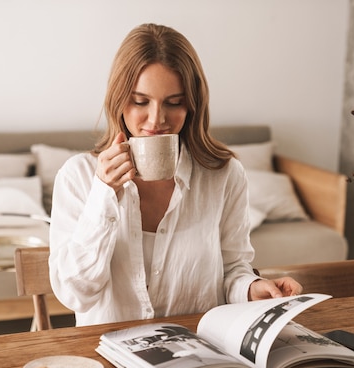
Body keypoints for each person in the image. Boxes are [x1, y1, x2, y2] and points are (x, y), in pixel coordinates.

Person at [49, 23, 302, 326]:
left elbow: (233, 267)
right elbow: (75, 294)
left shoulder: (224, 175)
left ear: (192, 105)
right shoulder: (78, 177)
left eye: (174, 103)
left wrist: (250, 288)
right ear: (118, 100)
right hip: (108, 356)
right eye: (140, 101)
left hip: (197, 355)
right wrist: (103, 194)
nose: (157, 120)